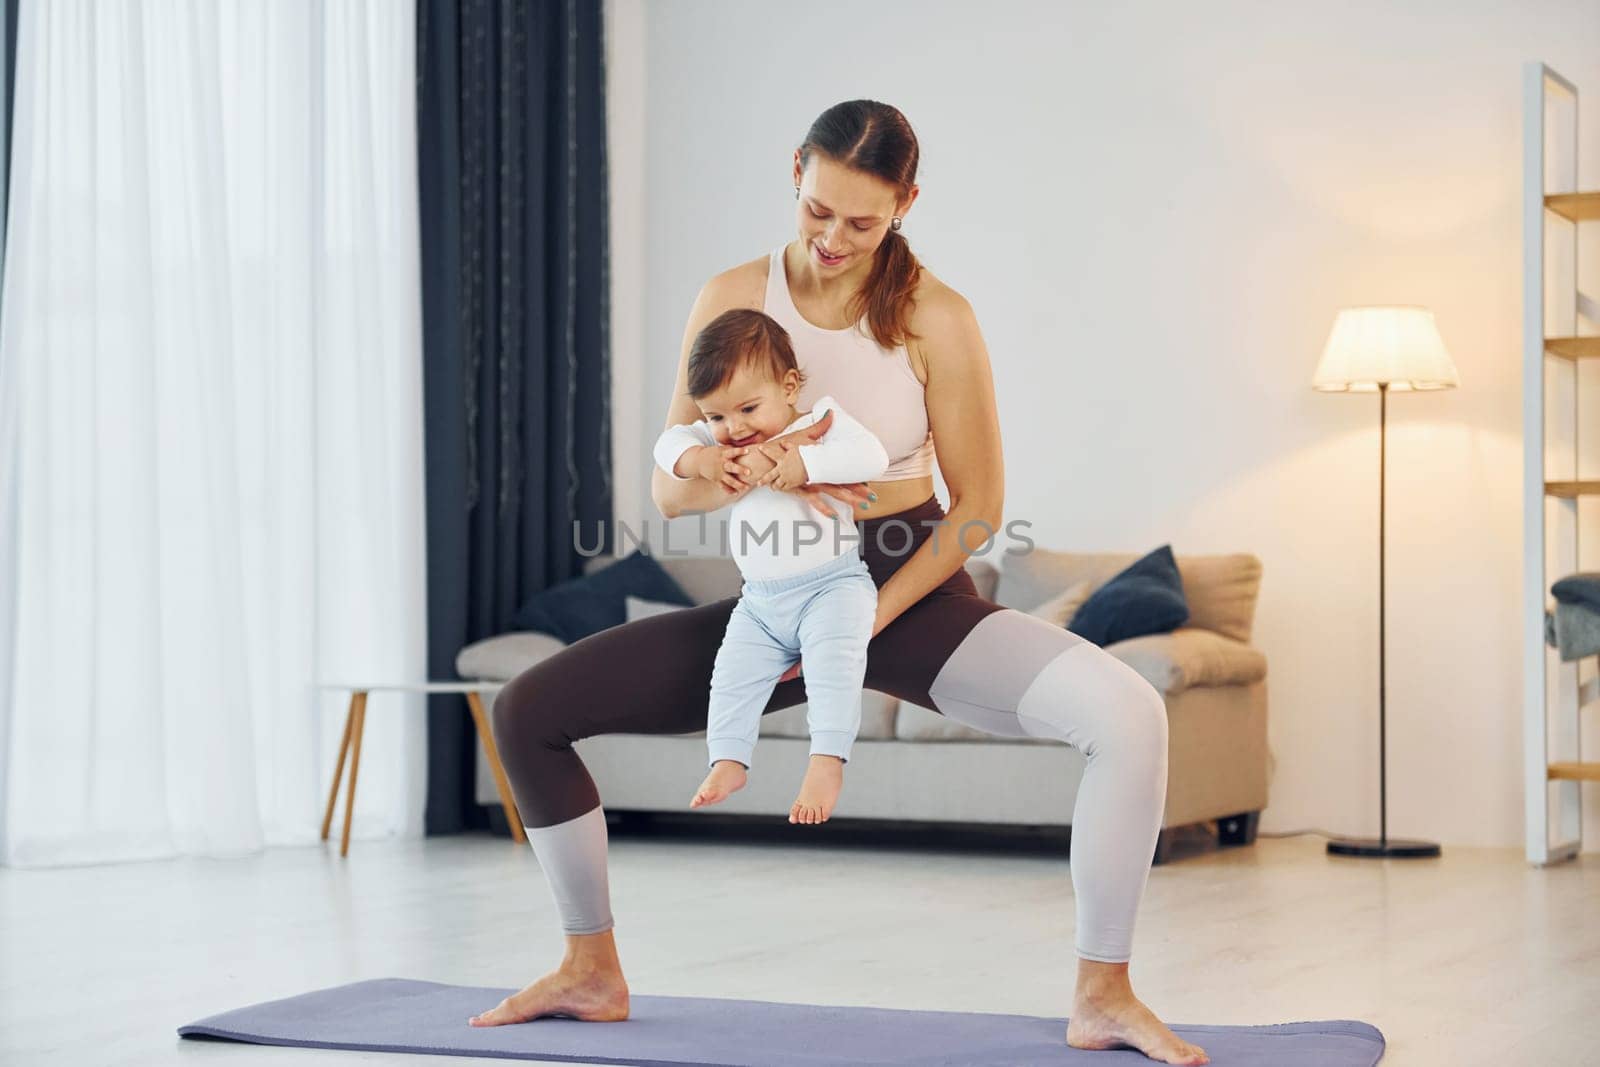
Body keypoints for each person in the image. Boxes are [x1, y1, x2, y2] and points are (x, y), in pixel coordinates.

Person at [474, 99, 1209, 1065]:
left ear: (906, 203)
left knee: (1128, 715)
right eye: (819, 210)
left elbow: (979, 507)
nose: (832, 238)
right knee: (528, 707)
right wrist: (711, 471)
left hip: (908, 587)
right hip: (779, 597)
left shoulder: (934, 315)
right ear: (795, 171)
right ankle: (589, 969)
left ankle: (1103, 992)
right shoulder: (734, 293)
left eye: (863, 221)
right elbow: (664, 478)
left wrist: (866, 624)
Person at [652, 307, 887, 822]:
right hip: (759, 602)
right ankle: (729, 759)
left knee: (833, 666)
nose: (732, 428)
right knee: (731, 677)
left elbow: (873, 456)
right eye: (716, 416)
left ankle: (827, 759)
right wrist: (701, 460)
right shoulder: (718, 447)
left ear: (789, 385)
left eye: (747, 409)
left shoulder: (817, 424)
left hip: (833, 586)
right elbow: (667, 443)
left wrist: (805, 463)